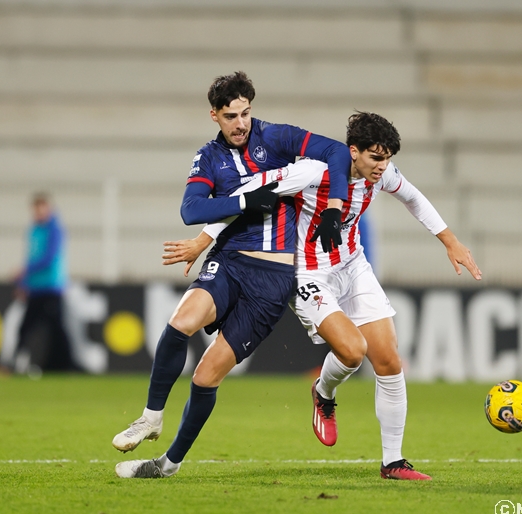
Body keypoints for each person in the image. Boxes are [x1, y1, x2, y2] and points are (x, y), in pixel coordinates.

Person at [160, 112, 482, 480]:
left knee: (389, 360)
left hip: (353, 266)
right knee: (352, 351)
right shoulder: (312, 172)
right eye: (376, 158)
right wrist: (204, 240)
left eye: (388, 158)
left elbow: (413, 198)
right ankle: (323, 392)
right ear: (353, 151)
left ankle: (392, 462)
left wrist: (450, 241)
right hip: (308, 274)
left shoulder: (381, 175)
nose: (384, 166)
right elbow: (250, 192)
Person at [112, 71, 351, 478]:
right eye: (230, 116)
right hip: (231, 260)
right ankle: (151, 417)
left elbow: (338, 153)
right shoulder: (209, 157)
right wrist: (245, 200)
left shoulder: (276, 138)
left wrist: (335, 206)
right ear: (214, 116)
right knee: (180, 321)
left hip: (273, 280)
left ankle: (167, 465)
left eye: (245, 113)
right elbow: (191, 210)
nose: (240, 123)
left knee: (205, 376)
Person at [13, 192, 74, 373]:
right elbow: (31, 257)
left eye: (42, 208)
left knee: (55, 330)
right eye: (36, 209)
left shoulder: (55, 229)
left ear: (49, 208)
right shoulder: (33, 230)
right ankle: (17, 363)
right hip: (36, 288)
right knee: (28, 327)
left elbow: (47, 259)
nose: (39, 212)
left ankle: (65, 365)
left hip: (51, 287)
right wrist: (24, 284)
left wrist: (24, 272)